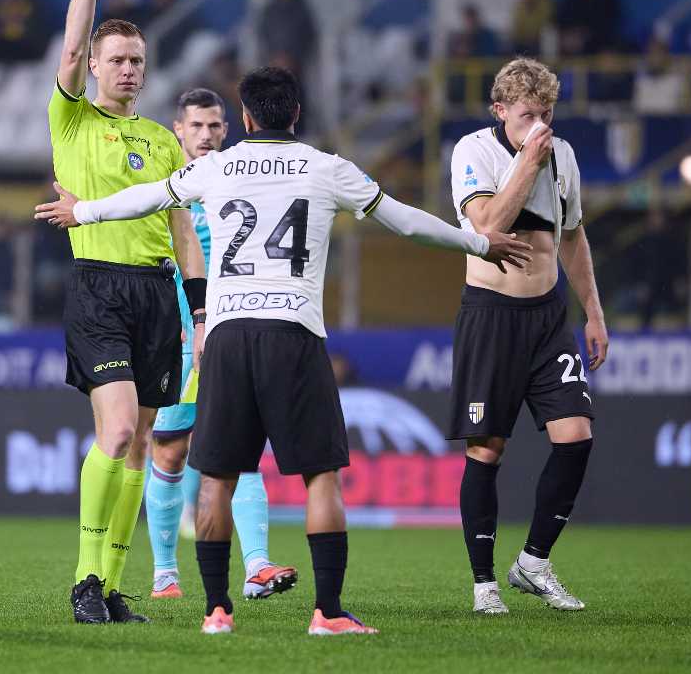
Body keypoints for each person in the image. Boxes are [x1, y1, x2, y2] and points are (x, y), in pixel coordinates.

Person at [35, 66, 532, 636]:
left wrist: (83, 211)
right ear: (296, 115)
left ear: (244, 118)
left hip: (226, 337)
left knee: (217, 477)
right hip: (292, 333)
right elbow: (406, 222)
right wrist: (477, 241)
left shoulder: (214, 168)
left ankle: (216, 611)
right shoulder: (327, 168)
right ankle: (328, 613)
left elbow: (145, 198)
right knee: (320, 478)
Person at [49, 0, 209, 625]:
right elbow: (73, 43)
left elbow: (183, 235)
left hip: (157, 295)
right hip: (99, 287)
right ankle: (85, 580)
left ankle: (111, 588)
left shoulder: (164, 139)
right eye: (117, 59)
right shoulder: (72, 120)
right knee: (115, 433)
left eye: (138, 61)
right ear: (94, 66)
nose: (129, 70)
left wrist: (200, 315)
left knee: (142, 442)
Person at [448, 57, 608, 615]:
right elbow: (488, 225)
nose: (540, 127)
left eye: (547, 116)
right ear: (499, 111)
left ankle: (533, 563)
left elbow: (572, 234)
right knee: (487, 450)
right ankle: (484, 584)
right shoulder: (474, 152)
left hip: (547, 317)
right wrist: (526, 159)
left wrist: (592, 310)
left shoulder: (562, 154)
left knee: (576, 435)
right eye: (526, 116)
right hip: (492, 315)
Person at [145, 88, 296, 602]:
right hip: (178, 340)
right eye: (196, 127)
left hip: (233, 336)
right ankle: (165, 574)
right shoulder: (165, 189)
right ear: (178, 130)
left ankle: (257, 567)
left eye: (215, 126)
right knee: (168, 451)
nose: (206, 135)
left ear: (227, 128)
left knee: (244, 450)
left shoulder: (237, 178)